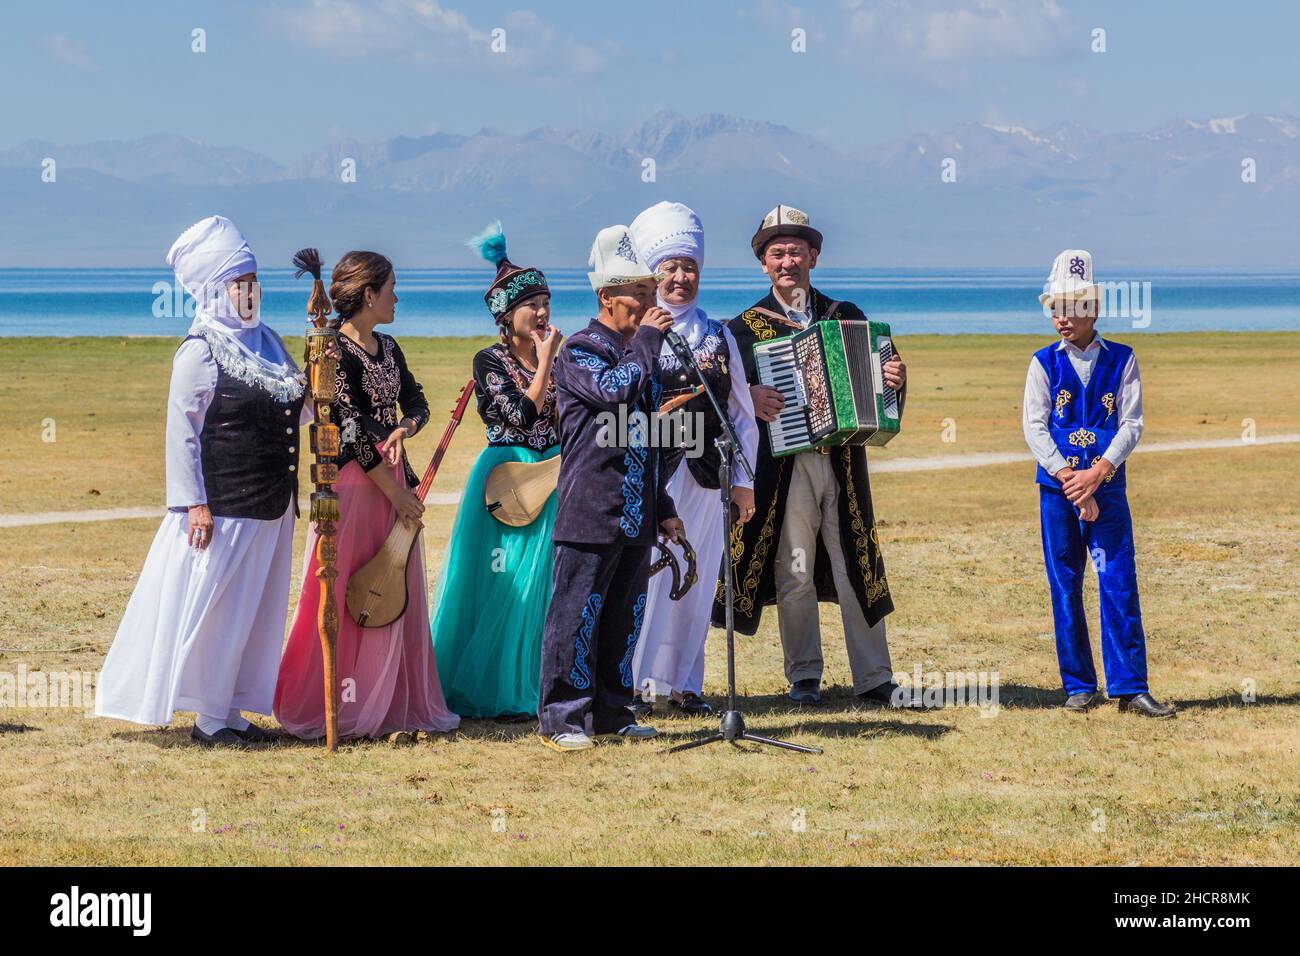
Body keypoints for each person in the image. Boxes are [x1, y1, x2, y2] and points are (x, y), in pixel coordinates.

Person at [95, 215, 305, 746]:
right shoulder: (201, 350)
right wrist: (194, 505)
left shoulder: (272, 343)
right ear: (215, 289)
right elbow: (182, 433)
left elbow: (293, 409)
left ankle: (233, 711)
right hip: (224, 507)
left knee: (255, 612)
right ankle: (209, 720)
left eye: (255, 280)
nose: (252, 291)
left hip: (271, 505)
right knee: (218, 613)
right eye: (241, 283)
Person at [720, 204, 908, 707]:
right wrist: (751, 397)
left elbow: (884, 387)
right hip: (785, 468)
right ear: (764, 262)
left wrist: (893, 383)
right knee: (794, 568)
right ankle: (804, 675)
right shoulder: (741, 329)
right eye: (777, 252)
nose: (788, 261)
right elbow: (724, 397)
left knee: (857, 563)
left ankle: (875, 677)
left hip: (844, 461)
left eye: (796, 252)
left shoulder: (846, 316)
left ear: (814, 257)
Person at [273, 251, 461, 740]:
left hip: (394, 481)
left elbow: (418, 401)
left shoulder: (390, 346)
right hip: (356, 488)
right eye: (392, 288)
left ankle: (389, 702)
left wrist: (403, 427)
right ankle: (340, 703)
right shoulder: (330, 349)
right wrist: (396, 495)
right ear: (369, 294)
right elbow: (349, 427)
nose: (397, 296)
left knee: (392, 586)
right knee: (345, 586)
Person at [536, 224, 683, 752]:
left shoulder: (639, 355)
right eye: (639, 295)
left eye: (652, 295)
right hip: (591, 508)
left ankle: (614, 710)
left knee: (625, 614)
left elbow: (643, 436)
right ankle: (564, 716)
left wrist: (664, 505)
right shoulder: (580, 350)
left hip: (638, 512)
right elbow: (613, 395)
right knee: (578, 613)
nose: (650, 304)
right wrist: (648, 340)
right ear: (606, 297)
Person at [1023, 249, 1175, 717]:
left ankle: (1130, 686)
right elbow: (1035, 425)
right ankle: (1078, 685)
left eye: (1072, 308)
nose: (1062, 319)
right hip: (1058, 492)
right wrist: (1069, 478)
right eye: (1056, 309)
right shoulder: (1042, 362)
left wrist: (1097, 473)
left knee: (1117, 581)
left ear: (1093, 309)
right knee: (1064, 582)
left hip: (1106, 488)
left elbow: (1131, 423)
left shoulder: (1123, 360)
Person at [627, 201, 758, 716]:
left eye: (690, 268)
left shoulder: (718, 333)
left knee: (697, 578)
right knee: (650, 576)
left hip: (707, 475)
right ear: (652, 274)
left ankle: (685, 685)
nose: (681, 278)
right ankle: (633, 685)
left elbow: (742, 413)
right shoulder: (632, 333)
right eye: (671, 268)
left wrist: (744, 481)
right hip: (651, 473)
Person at [430, 223, 562, 720]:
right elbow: (521, 417)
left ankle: (533, 681)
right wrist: (547, 365)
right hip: (506, 475)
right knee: (502, 578)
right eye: (533, 305)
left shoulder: (558, 355)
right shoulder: (489, 360)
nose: (543, 312)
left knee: (542, 583)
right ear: (506, 316)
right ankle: (491, 688)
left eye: (547, 302)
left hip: (550, 472)